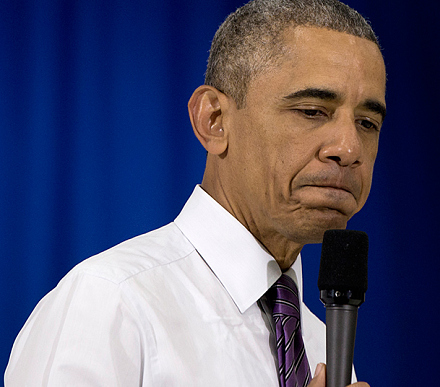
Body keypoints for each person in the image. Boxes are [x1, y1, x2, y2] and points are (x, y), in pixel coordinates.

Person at [4, 0, 386, 385]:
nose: (349, 148)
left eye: (367, 123)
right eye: (312, 111)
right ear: (214, 121)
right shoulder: (111, 303)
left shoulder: (324, 347)